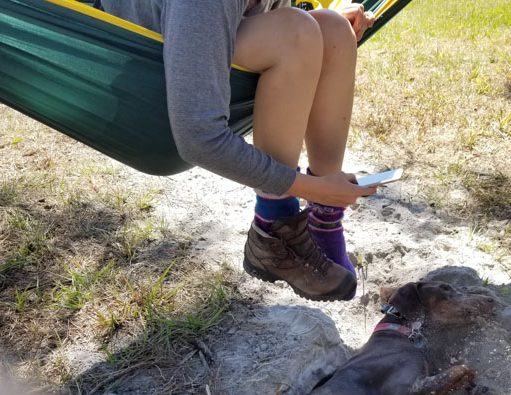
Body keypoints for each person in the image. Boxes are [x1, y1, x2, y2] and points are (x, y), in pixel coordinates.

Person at [98, 0, 378, 301]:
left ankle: (325, 220)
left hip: (201, 32)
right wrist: (311, 188)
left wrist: (327, 24)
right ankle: (275, 225)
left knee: (333, 29)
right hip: (148, 67)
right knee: (296, 33)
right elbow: (199, 140)